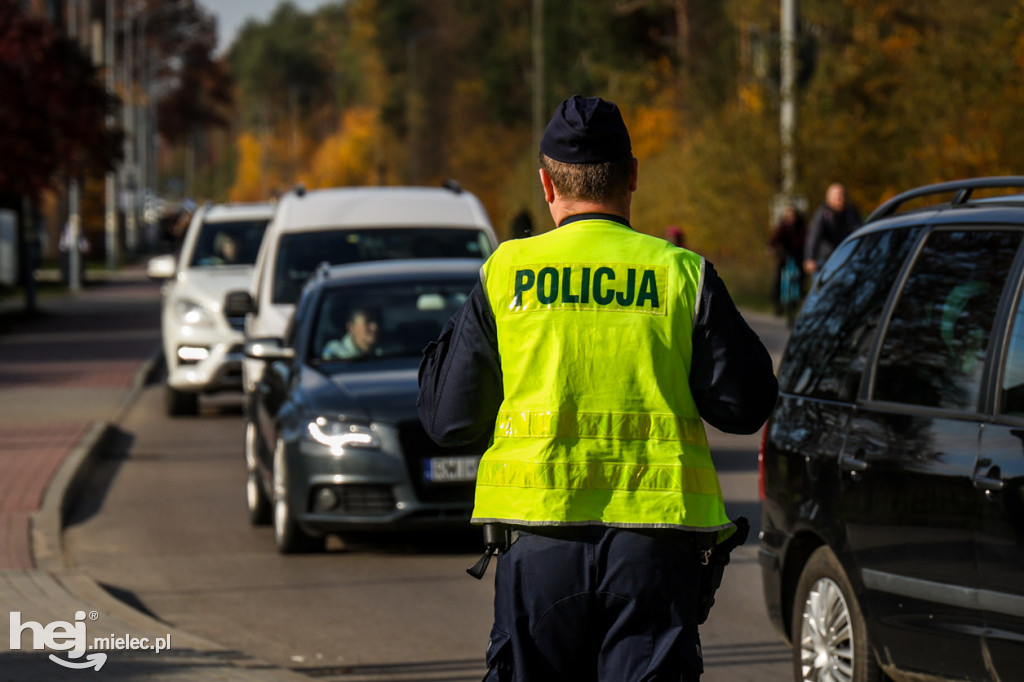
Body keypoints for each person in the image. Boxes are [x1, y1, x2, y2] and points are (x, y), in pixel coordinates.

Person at [418, 95, 778, 681]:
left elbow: (448, 419)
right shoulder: (680, 273)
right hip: (654, 549)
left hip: (538, 548)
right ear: (632, 175)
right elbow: (747, 406)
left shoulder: (506, 273)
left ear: (546, 183)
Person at [803, 182, 861, 274]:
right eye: (837, 196)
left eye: (843, 195)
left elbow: (859, 232)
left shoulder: (851, 214)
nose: (840, 199)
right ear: (829, 198)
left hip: (846, 259)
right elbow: (814, 235)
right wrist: (810, 258)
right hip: (825, 261)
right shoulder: (822, 214)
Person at [768, 204, 806, 315]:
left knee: (801, 278)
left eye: (792, 214)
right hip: (784, 257)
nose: (790, 217)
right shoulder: (782, 227)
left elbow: (807, 239)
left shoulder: (801, 227)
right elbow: (775, 238)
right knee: (778, 278)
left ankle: (798, 299)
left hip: (798, 256)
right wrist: (771, 247)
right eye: (788, 214)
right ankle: (778, 303)